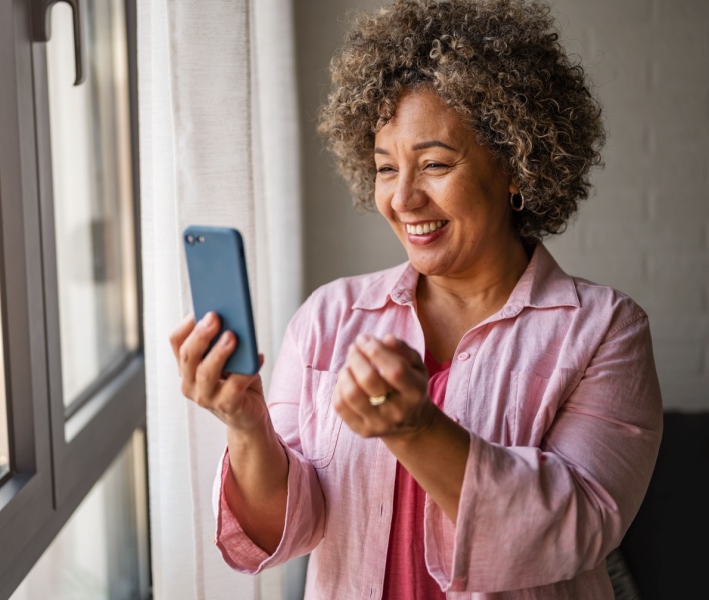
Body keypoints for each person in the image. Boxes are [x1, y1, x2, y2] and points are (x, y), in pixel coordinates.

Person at [169, 0, 663, 597]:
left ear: (514, 164)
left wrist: (415, 428)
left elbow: (576, 528)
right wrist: (245, 424)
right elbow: (288, 529)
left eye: (433, 164)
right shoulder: (330, 318)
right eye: (384, 168)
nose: (403, 199)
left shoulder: (604, 330)